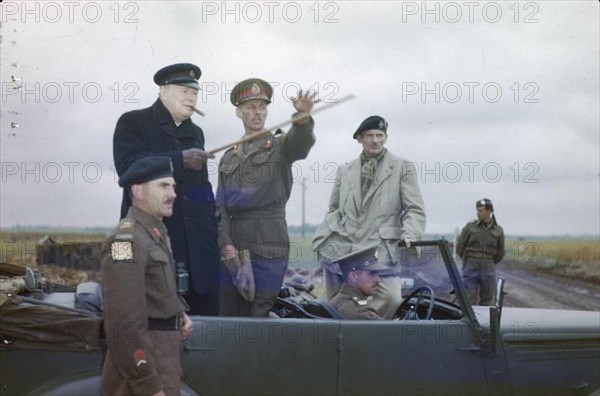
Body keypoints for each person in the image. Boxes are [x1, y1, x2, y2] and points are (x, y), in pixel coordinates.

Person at [113, 63, 220, 316]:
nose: (191, 97)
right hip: (153, 248)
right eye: (183, 90)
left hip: (200, 258)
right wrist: (179, 160)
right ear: (163, 92)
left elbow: (202, 190)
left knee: (205, 335)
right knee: (155, 329)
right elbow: (127, 170)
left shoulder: (196, 132)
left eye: (194, 93)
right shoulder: (133, 121)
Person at [216, 78, 317, 317]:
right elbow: (219, 206)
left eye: (262, 107)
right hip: (235, 240)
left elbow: (300, 144)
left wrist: (302, 119)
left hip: (269, 239)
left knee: (259, 313)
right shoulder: (228, 157)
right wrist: (226, 242)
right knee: (231, 314)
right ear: (238, 112)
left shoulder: (280, 146)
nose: (257, 112)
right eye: (251, 107)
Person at [312, 115, 426, 319]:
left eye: (380, 135)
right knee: (333, 305)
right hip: (344, 249)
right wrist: (324, 238)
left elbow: (414, 209)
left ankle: (370, 334)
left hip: (379, 251)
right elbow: (334, 209)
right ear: (360, 139)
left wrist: (411, 233)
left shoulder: (402, 168)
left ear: (385, 138)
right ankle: (338, 343)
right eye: (370, 135)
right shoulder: (344, 170)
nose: (375, 140)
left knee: (391, 298)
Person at [101, 156, 193, 396]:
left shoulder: (155, 231)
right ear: (138, 191)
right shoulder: (125, 241)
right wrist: (148, 386)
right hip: (145, 369)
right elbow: (123, 322)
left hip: (164, 358)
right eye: (163, 186)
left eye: (173, 186)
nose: (172, 193)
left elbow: (153, 289)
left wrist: (178, 312)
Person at [456, 198, 505, 306]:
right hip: (470, 266)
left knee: (487, 300)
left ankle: (484, 322)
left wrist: (488, 261)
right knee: (468, 300)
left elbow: (500, 253)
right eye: (477, 210)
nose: (478, 213)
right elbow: (460, 247)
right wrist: (468, 261)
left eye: (481, 211)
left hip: (488, 269)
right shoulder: (470, 227)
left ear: (489, 211)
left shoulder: (498, 230)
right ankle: (469, 322)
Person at [330, 247, 388, 320]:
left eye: (377, 274)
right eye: (372, 274)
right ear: (353, 277)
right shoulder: (360, 312)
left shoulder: (339, 299)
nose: (378, 279)